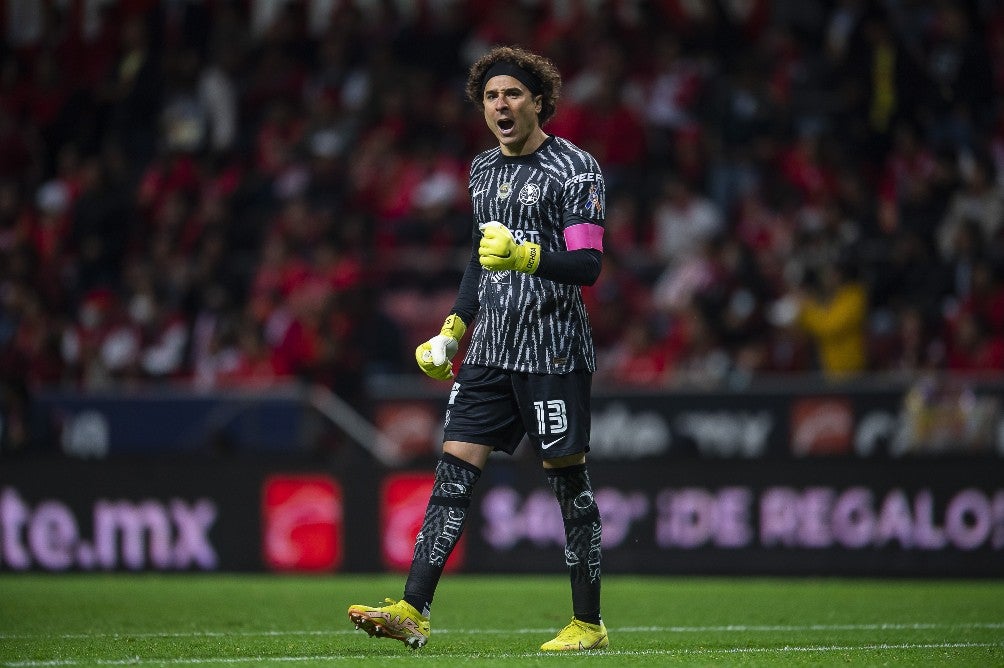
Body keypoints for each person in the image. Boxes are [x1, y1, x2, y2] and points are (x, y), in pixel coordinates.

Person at [348, 45, 608, 652]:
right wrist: (453, 329)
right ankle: (413, 609)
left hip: (551, 350)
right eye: (492, 96)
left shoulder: (577, 169)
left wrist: (526, 256)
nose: (501, 105)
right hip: (490, 347)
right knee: (452, 472)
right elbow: (476, 262)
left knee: (568, 480)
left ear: (538, 101)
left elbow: (589, 265)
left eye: (513, 93)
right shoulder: (482, 170)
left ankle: (588, 623)